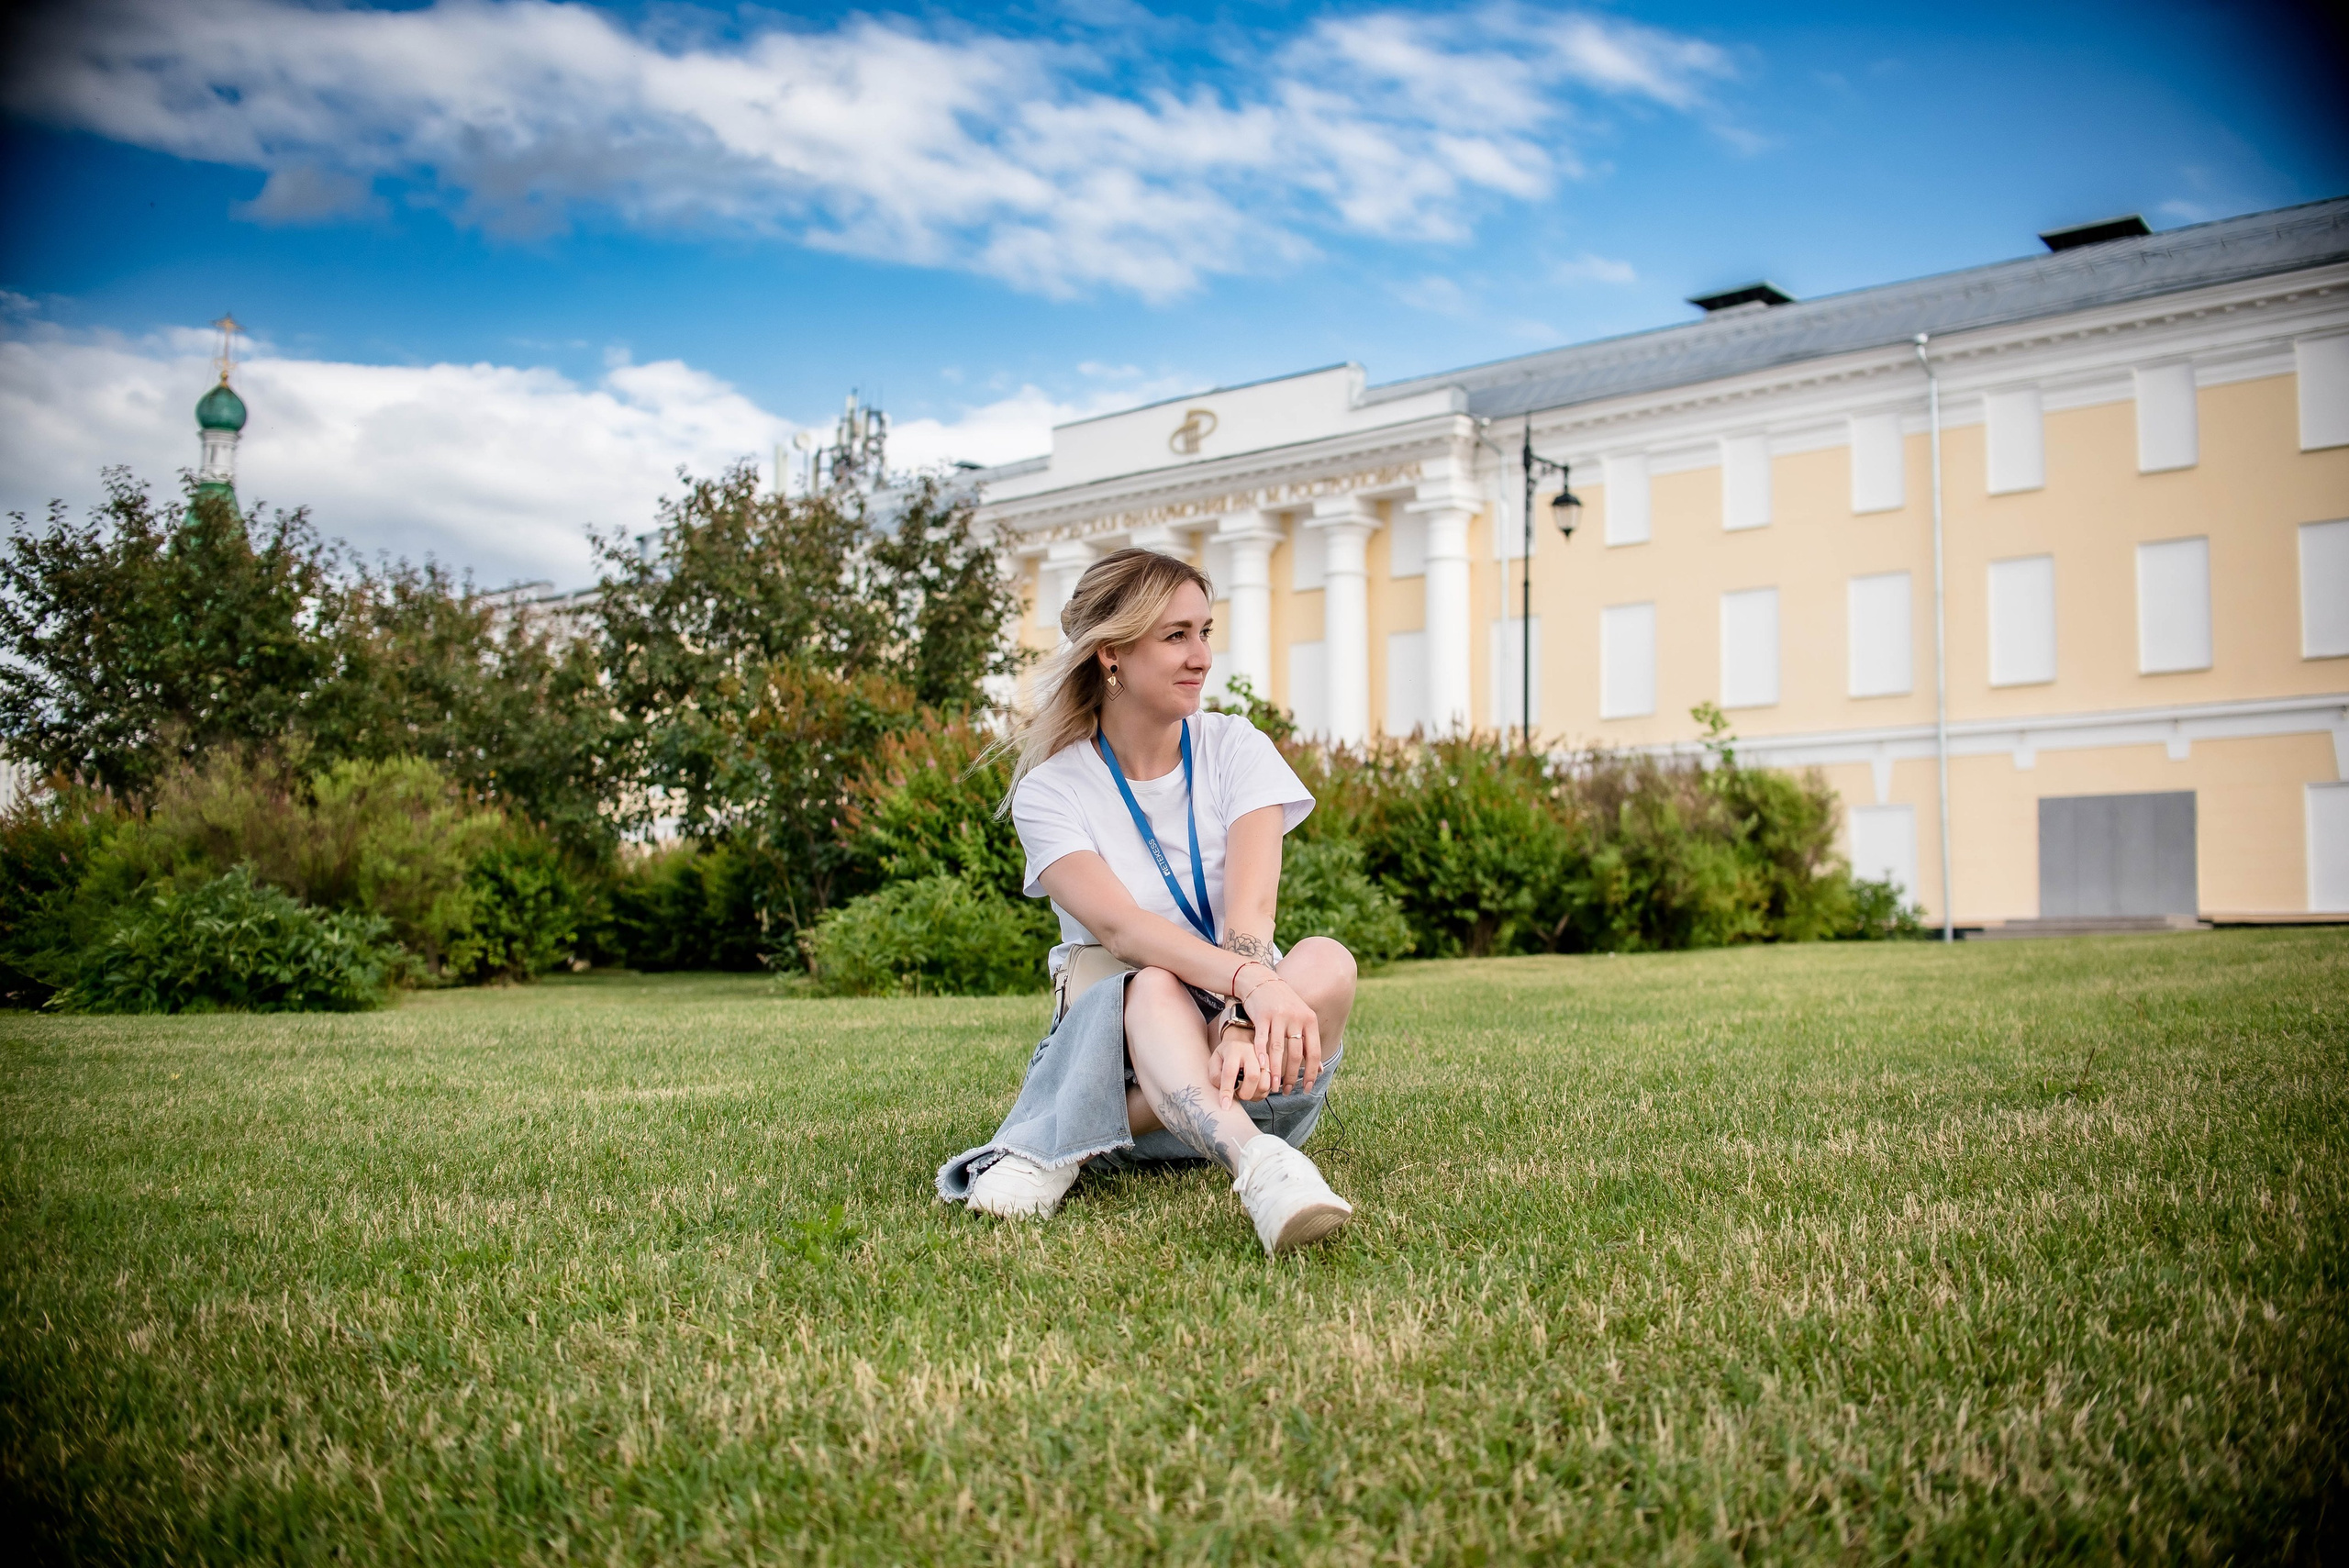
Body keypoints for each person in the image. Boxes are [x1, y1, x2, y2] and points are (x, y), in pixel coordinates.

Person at [935, 549, 1358, 1254]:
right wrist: (1251, 984)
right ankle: (1262, 1168)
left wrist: (1244, 1021)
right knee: (1153, 980)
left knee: (1327, 960)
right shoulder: (1052, 792)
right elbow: (1121, 928)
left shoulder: (1234, 746)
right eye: (1176, 635)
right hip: (1139, 1068)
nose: (1201, 656)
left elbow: (1252, 914)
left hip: (1258, 1064)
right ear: (1111, 655)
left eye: (1205, 630)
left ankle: (1059, 1141)